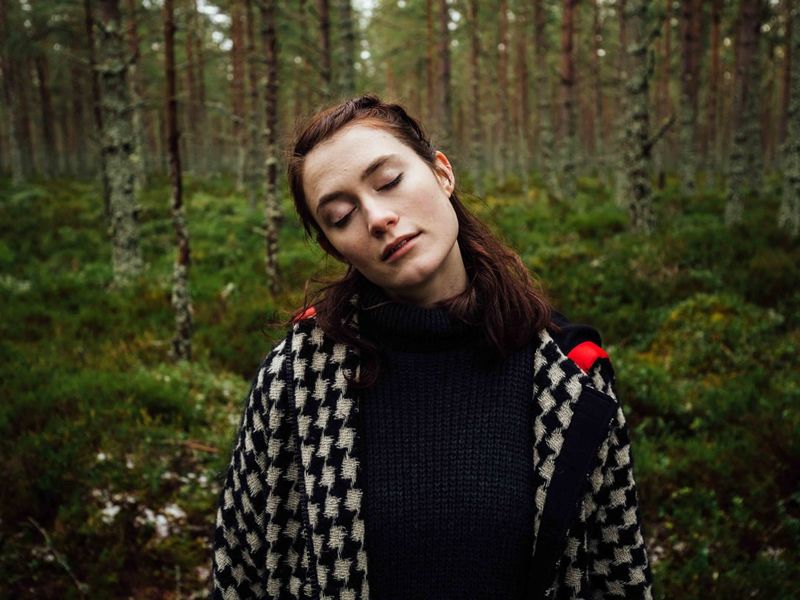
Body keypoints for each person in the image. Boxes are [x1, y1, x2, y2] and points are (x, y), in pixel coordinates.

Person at [212, 95, 653, 600]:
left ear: (442, 172)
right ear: (335, 247)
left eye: (388, 182)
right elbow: (238, 575)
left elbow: (619, 576)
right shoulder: (295, 379)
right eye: (340, 215)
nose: (378, 217)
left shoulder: (572, 376)